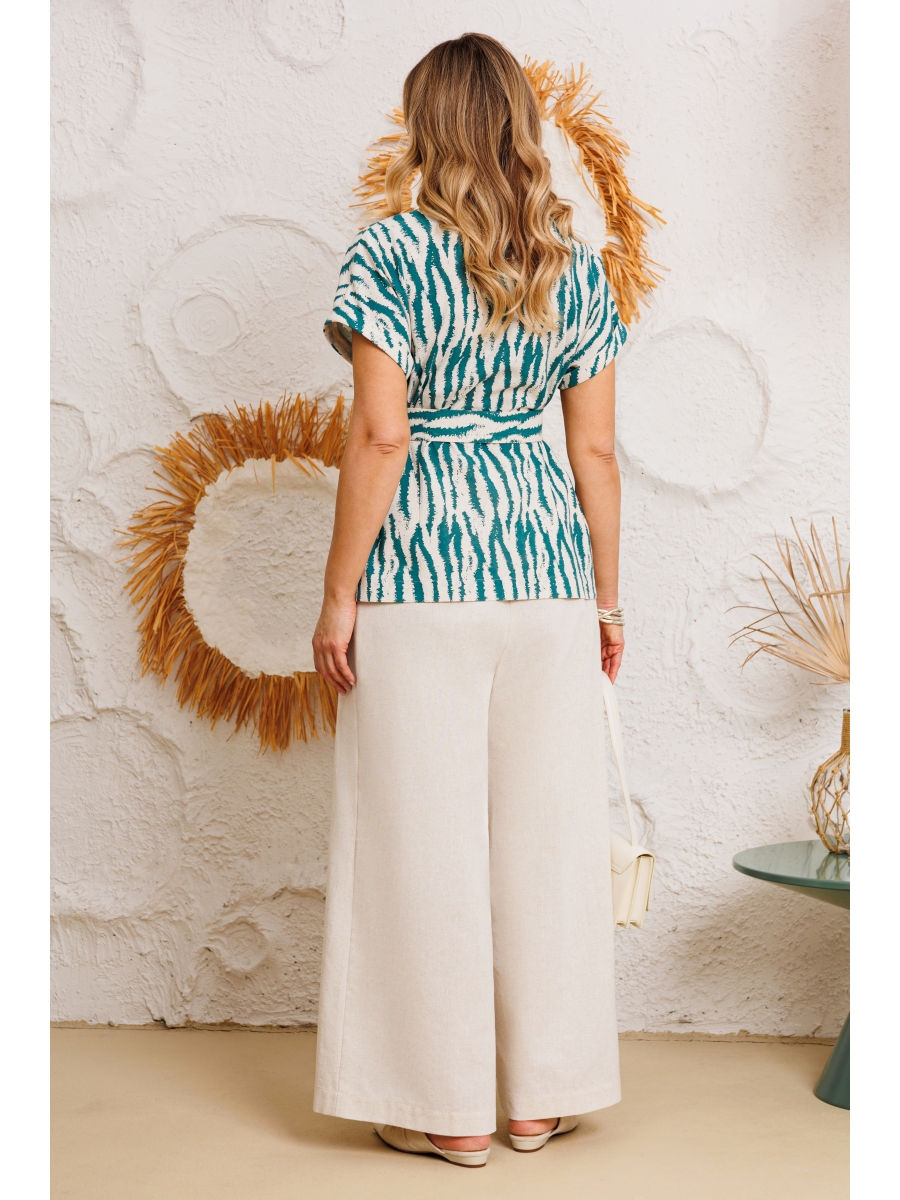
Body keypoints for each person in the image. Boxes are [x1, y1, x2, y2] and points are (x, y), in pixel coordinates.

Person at [312, 32, 626, 1169]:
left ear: (425, 126)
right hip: (545, 575)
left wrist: (337, 596)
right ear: (519, 127)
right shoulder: (573, 264)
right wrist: (607, 603)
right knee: (548, 836)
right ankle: (541, 1098)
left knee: (420, 839)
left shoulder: (388, 254)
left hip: (418, 580)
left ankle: (447, 1111)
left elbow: (380, 436)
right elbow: (596, 456)